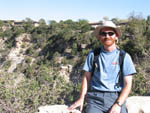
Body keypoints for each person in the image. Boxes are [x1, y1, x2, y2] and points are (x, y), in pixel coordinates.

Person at [68, 20, 136, 113]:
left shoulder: (124, 57)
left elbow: (128, 84)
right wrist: (81, 98)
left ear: (116, 36)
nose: (107, 36)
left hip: (115, 98)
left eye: (110, 33)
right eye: (103, 33)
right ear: (100, 36)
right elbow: (87, 78)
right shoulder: (94, 54)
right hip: (95, 99)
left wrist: (118, 104)